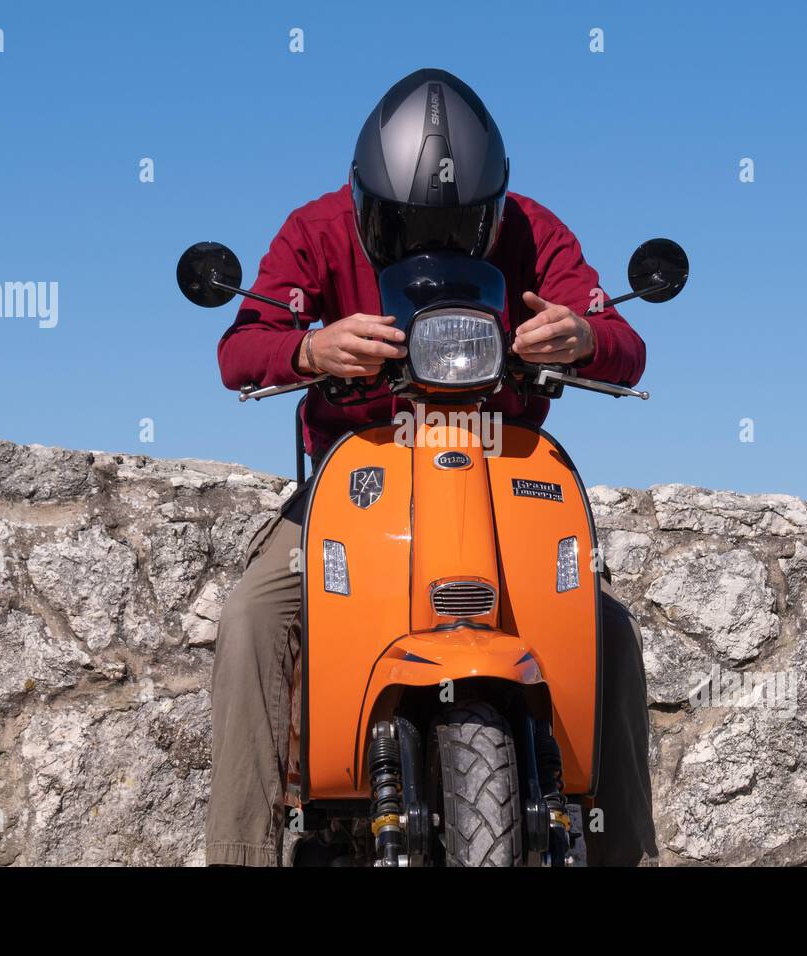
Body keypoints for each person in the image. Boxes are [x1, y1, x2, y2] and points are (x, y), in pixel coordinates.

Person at [207, 68, 656, 866]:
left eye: (460, 225)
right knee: (253, 616)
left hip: (496, 469)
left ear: (494, 205)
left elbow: (620, 340)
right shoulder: (313, 230)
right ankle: (240, 857)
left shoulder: (534, 231)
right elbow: (240, 351)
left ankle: (624, 852)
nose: (432, 244)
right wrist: (310, 346)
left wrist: (582, 337)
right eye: (405, 223)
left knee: (609, 628)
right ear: (363, 198)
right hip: (357, 481)